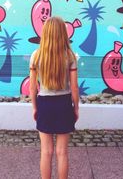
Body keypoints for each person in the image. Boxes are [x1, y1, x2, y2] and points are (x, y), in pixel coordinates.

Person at [29, 16, 79, 179]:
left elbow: (32, 87)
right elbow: (74, 87)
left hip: (44, 104)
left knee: (46, 151)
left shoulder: (36, 56)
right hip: (64, 104)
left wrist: (35, 107)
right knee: (62, 152)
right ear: (63, 34)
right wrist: (76, 108)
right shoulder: (70, 56)